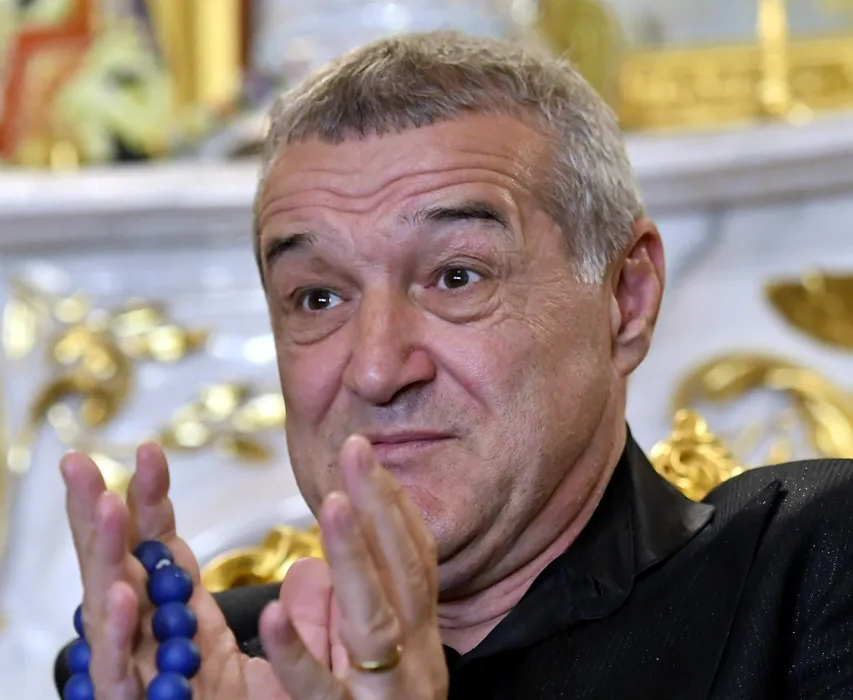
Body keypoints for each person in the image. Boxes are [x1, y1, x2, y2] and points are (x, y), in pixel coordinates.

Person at [55, 31, 853, 700]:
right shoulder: (196, 664)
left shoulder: (806, 566)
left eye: (456, 277)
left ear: (626, 298)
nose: (376, 370)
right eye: (317, 297)